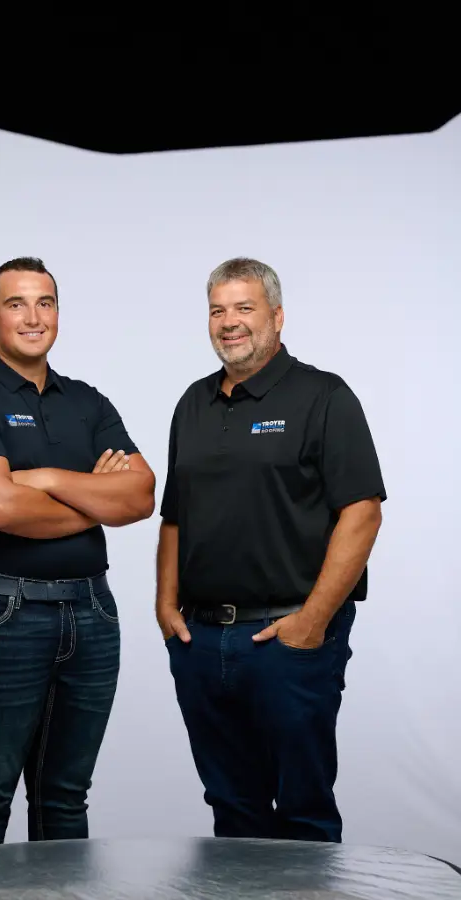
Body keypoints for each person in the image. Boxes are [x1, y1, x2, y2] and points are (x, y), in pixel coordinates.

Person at [0, 256, 155, 851]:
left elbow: (140, 496)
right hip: (0, 616)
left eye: (45, 302)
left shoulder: (87, 401)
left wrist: (45, 476)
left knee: (64, 797)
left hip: (92, 615)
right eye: (16, 303)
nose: (33, 316)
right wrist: (92, 499)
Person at [156, 257, 385, 843]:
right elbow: (175, 516)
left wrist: (311, 622)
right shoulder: (192, 404)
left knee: (305, 812)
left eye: (243, 308)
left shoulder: (323, 397)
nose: (229, 322)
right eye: (217, 310)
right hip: (203, 643)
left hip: (288, 643)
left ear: (277, 317)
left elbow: (362, 513)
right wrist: (165, 606)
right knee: (233, 813)